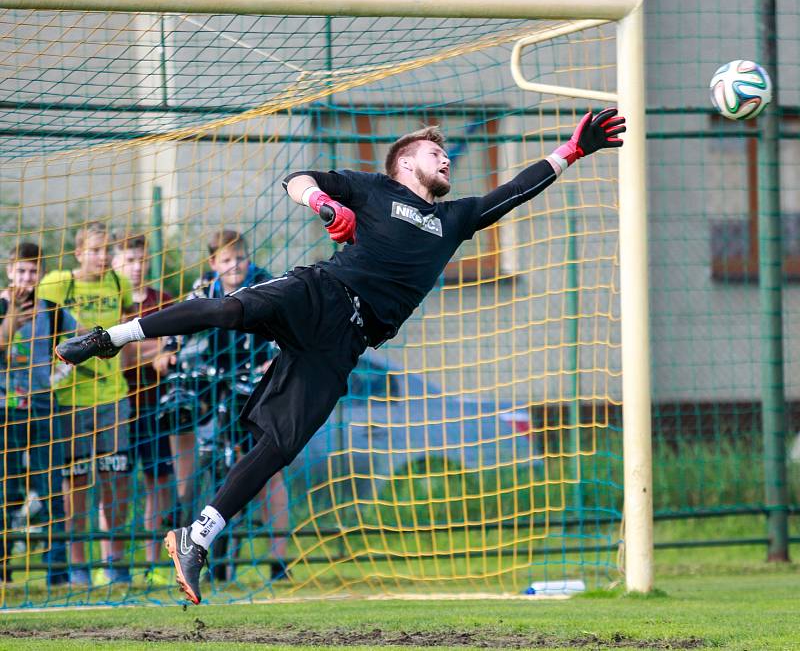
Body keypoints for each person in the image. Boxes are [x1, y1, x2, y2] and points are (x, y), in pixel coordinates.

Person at [56, 108, 626, 603]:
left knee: (280, 444)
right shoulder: (373, 189)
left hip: (347, 341)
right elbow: (295, 179)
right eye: (436, 152)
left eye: (447, 154)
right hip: (321, 293)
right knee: (229, 309)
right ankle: (108, 338)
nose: (447, 160)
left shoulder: (454, 219)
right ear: (405, 162)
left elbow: (515, 189)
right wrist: (327, 204)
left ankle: (197, 538)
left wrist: (573, 150)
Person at [152, 229, 289, 581]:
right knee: (178, 413)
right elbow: (182, 319)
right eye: (226, 260)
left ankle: (279, 559)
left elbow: (288, 324)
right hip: (213, 374)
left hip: (255, 377)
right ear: (214, 263)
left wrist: (273, 359)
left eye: (240, 258)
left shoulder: (264, 283)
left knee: (268, 467)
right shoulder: (204, 287)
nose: (235, 265)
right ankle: (185, 499)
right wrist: (168, 351)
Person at [40, 221, 135, 586]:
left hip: (112, 399)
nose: (102, 257)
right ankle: (77, 564)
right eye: (94, 250)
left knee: (115, 481)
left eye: (106, 250)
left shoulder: (118, 283)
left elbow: (127, 331)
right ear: (79, 253)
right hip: (70, 401)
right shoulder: (58, 284)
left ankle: (114, 562)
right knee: (75, 484)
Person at [0, 242, 77, 587]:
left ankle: (57, 570)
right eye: (21, 272)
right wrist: (13, 316)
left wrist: (58, 376)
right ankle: (4, 567)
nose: (27, 278)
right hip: (6, 409)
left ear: (41, 274)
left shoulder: (53, 310)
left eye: (33, 272)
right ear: (9, 272)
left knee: (51, 488)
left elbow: (79, 340)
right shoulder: (2, 306)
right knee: (8, 489)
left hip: (44, 406)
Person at [111, 232, 175, 587]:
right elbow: (122, 357)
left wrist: (152, 348)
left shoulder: (162, 301)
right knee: (116, 486)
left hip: (155, 408)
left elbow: (173, 346)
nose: (135, 268)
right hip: (117, 407)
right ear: (115, 263)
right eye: (128, 261)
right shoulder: (111, 301)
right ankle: (114, 565)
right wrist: (155, 348)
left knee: (157, 484)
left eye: (140, 261)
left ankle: (154, 564)